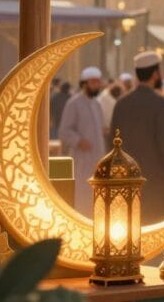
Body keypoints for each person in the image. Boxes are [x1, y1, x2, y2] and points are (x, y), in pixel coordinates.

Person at [110, 51, 164, 225]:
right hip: (156, 180)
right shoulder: (159, 104)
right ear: (155, 73)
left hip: (127, 179)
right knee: (159, 228)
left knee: (131, 229)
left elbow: (113, 143)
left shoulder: (122, 104)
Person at [57, 67, 105, 215]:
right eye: (94, 82)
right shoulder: (74, 103)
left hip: (98, 160)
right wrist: (79, 141)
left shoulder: (97, 105)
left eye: (98, 81)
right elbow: (64, 131)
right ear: (85, 83)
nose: (97, 85)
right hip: (81, 161)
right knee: (82, 199)